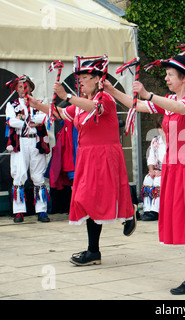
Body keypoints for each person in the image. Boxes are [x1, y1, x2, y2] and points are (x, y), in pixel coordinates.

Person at [106, 54, 185, 295]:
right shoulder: (171, 98)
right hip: (175, 166)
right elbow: (137, 105)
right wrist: (111, 90)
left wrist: (149, 94)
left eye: (170, 75)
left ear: (184, 78)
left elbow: (178, 107)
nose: (166, 78)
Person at [27, 56, 136, 266]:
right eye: (80, 78)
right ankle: (100, 243)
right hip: (86, 156)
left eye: (86, 77)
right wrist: (37, 104)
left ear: (97, 79)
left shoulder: (105, 99)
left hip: (105, 155)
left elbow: (95, 109)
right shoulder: (78, 104)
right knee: (86, 199)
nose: (81, 81)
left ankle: (97, 247)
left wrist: (66, 95)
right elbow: (60, 113)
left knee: (93, 198)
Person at [5, 75, 50, 223]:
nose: (23, 89)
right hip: (20, 142)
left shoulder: (39, 103)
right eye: (19, 86)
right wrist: (28, 122)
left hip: (36, 142)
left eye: (26, 86)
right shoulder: (11, 104)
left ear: (30, 88)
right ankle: (18, 212)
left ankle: (42, 211)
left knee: (38, 176)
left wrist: (26, 120)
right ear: (16, 89)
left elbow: (44, 118)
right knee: (18, 175)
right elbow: (11, 121)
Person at [141, 117, 166, 221]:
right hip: (157, 170)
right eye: (160, 128)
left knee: (157, 180)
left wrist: (162, 171)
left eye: (163, 128)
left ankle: (155, 211)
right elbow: (150, 157)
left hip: (169, 170)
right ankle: (147, 209)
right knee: (148, 178)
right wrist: (151, 170)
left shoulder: (175, 140)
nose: (162, 130)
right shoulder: (155, 140)